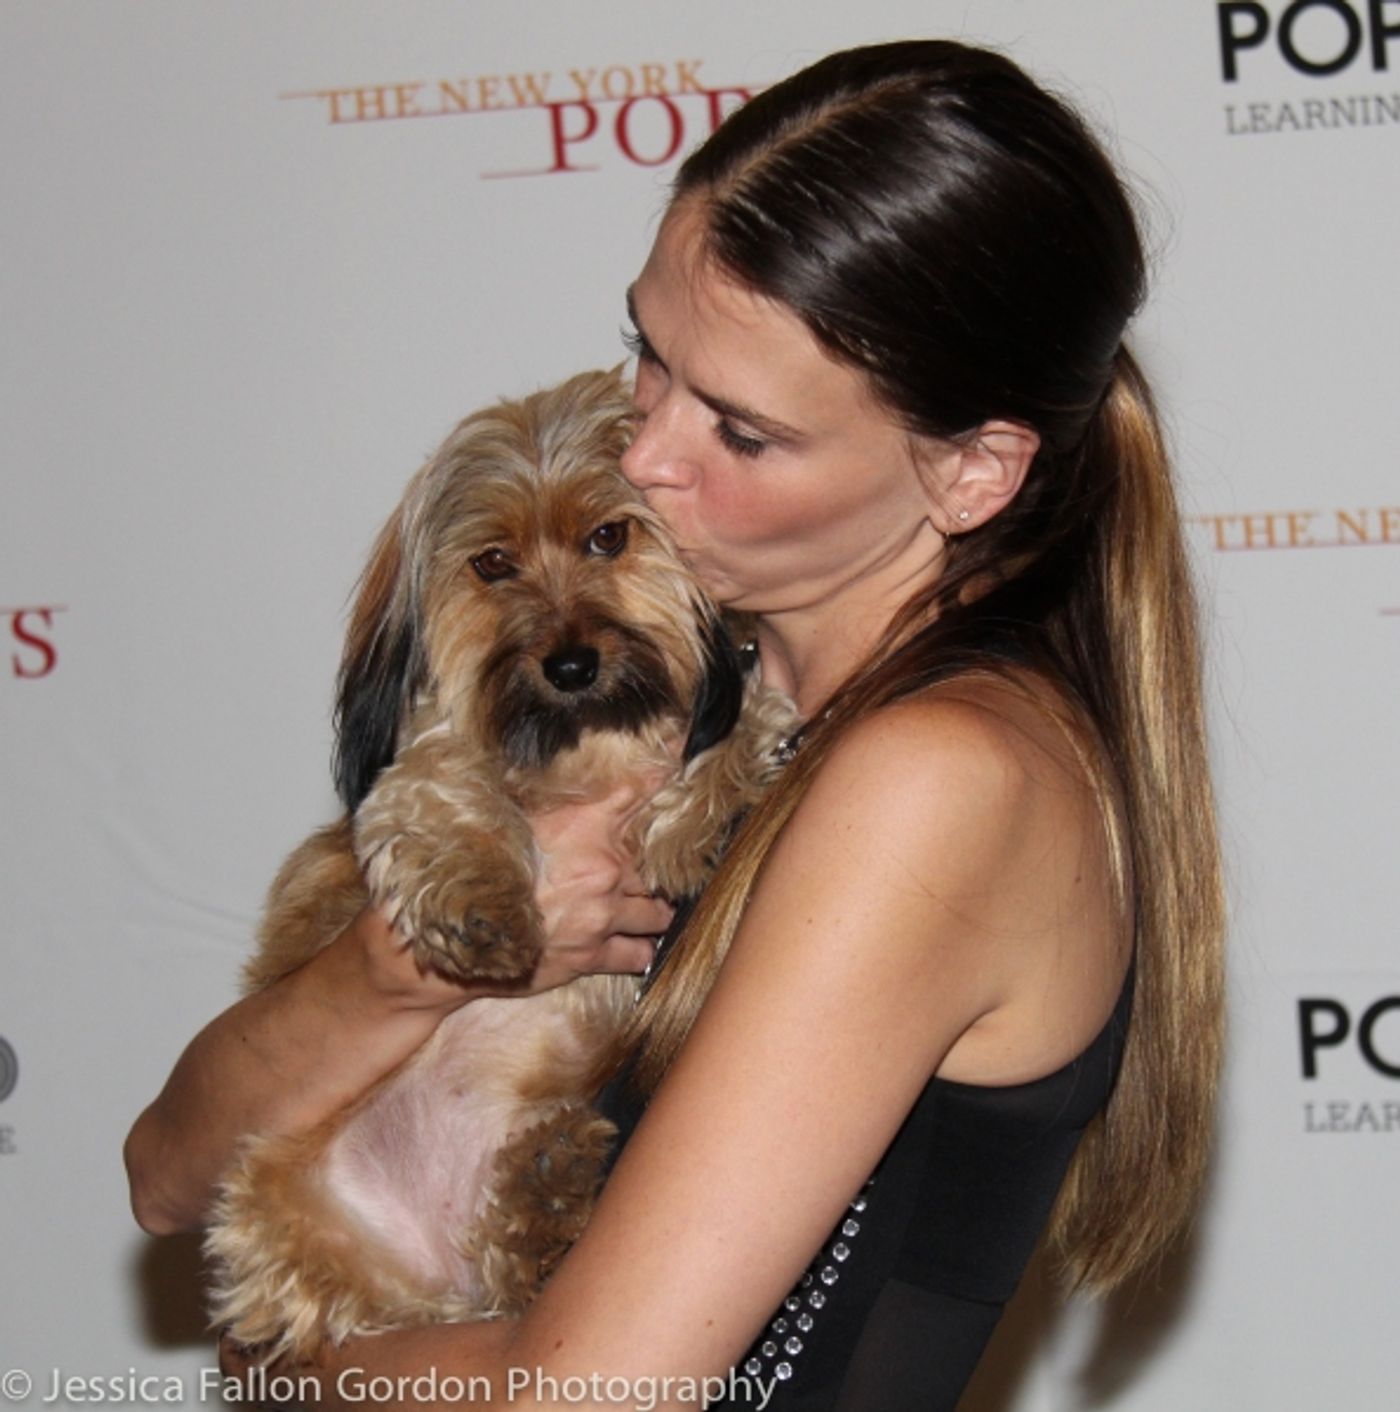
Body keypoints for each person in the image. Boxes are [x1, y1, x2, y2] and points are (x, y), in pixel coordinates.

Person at [124, 38, 1225, 1411]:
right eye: (648, 351)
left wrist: (285, 1373)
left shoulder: (939, 778)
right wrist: (415, 968)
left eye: (742, 433)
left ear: (969, 470)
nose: (643, 453)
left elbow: (581, 1390)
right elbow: (167, 1177)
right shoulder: (717, 733)